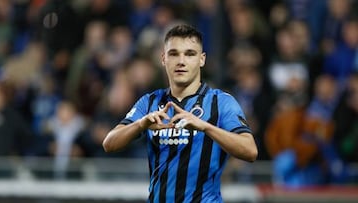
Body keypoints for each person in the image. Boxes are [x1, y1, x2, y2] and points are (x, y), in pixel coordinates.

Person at [103, 24, 257, 203]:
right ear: (163, 59)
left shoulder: (220, 102)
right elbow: (109, 143)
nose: (181, 61)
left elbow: (250, 151)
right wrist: (140, 125)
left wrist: (205, 126)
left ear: (202, 59)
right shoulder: (150, 102)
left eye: (190, 54)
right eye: (174, 54)